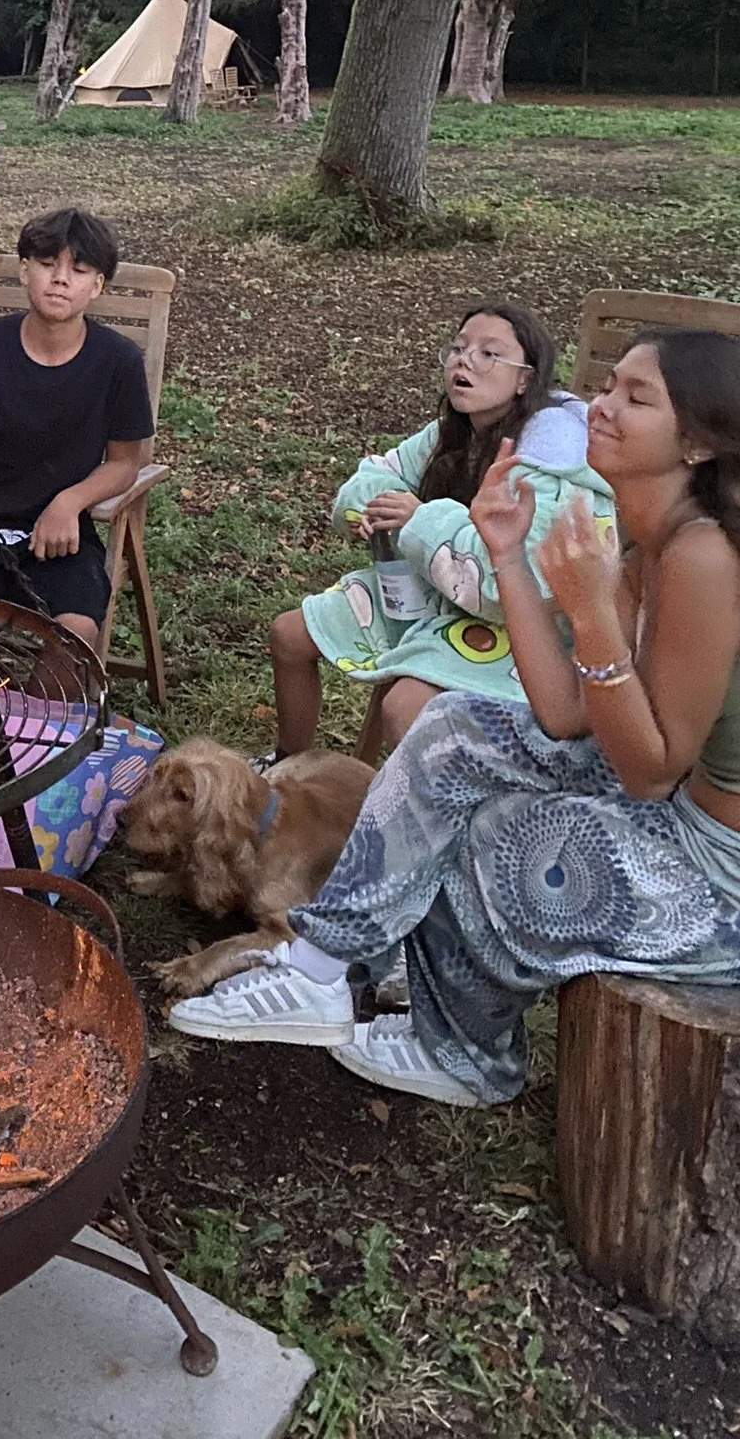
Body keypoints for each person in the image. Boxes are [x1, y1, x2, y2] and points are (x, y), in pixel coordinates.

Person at [166, 329, 740, 1110]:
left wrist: (593, 615)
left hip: (714, 873)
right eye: (609, 388)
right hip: (660, 798)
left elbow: (650, 769)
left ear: (700, 442)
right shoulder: (653, 539)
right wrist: (504, 551)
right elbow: (566, 713)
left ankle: (472, 1058)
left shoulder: (706, 557)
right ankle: (320, 969)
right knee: (456, 727)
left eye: (636, 399)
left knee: (497, 833)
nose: (599, 408)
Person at [266, 301, 614, 764]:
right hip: (441, 595)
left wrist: (418, 519)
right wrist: (378, 510)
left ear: (525, 378)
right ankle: (285, 769)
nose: (464, 361)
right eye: (458, 348)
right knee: (289, 635)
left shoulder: (548, 459)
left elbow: (499, 585)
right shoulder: (453, 432)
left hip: (521, 628)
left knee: (405, 703)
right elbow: (369, 480)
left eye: (489, 354)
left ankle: (412, 815)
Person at [0, 209, 154, 650]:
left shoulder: (117, 363)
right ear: (25, 270)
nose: (60, 279)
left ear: (96, 285)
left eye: (78, 270)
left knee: (76, 635)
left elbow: (124, 463)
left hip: (56, 537)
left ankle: (44, 719)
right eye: (46, 264)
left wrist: (70, 501)